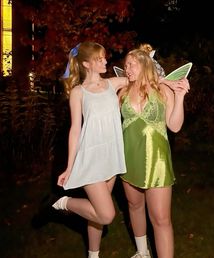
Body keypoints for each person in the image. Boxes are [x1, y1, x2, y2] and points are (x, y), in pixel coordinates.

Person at [51, 41, 128, 258]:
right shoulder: (79, 92)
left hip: (111, 158)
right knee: (106, 215)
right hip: (91, 158)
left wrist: (170, 82)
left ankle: (93, 256)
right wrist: (69, 167)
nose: (105, 61)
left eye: (104, 57)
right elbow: (75, 130)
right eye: (99, 59)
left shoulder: (113, 83)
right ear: (86, 64)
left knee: (95, 214)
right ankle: (62, 202)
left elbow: (143, 77)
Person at [118, 49, 190, 258]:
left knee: (161, 219)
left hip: (156, 162)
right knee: (134, 205)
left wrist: (179, 95)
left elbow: (174, 126)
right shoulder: (122, 91)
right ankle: (142, 253)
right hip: (129, 159)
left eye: (131, 64)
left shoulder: (162, 90)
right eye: (126, 64)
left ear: (145, 64)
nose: (127, 68)